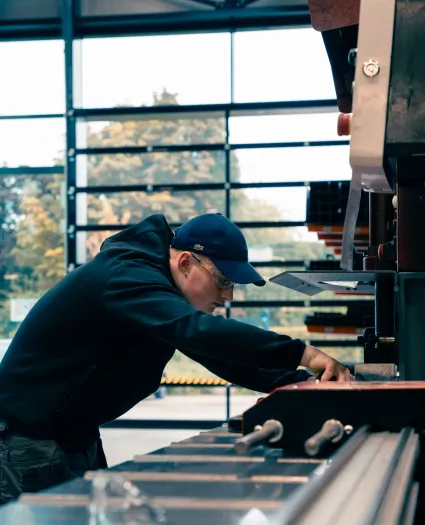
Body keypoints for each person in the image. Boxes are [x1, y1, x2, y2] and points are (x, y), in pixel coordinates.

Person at [0, 213, 350, 503]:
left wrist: (303, 385)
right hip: (26, 440)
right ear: (185, 262)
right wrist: (303, 354)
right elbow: (197, 331)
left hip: (73, 436)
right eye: (223, 281)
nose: (227, 296)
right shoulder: (126, 278)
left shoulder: (157, 292)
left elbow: (220, 355)